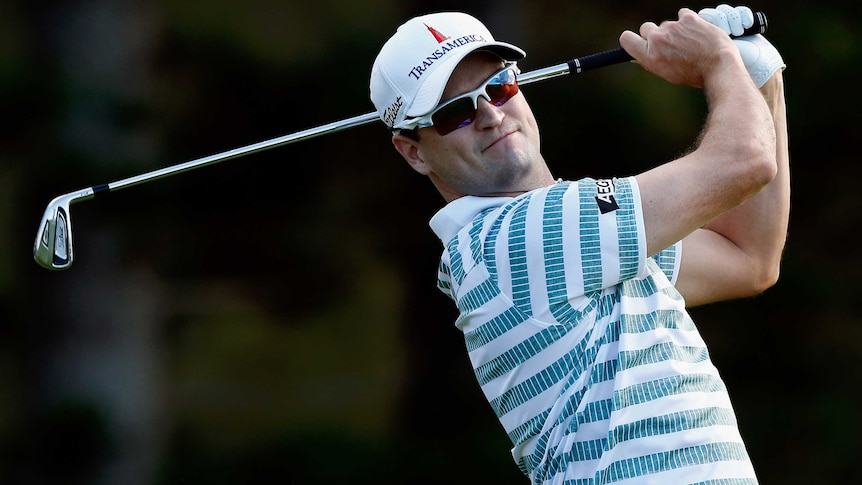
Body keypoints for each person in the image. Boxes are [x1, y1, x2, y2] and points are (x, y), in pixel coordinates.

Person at [370, 4, 788, 484]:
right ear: (413, 152)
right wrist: (718, 63)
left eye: (499, 87)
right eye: (454, 114)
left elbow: (747, 258)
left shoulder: (578, 240)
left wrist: (759, 80)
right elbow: (745, 162)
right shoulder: (514, 237)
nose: (489, 115)